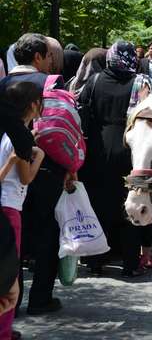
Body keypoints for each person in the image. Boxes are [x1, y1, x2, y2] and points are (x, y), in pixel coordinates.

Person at [0, 34, 73, 317]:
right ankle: (40, 298)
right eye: (48, 57)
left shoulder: (1, 84)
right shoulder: (52, 83)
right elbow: (64, 129)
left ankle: (10, 303)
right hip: (43, 169)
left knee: (10, 242)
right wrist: (70, 167)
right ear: (39, 57)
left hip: (8, 176)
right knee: (46, 235)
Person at [79, 41, 152, 278]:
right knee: (128, 205)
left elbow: (84, 113)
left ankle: (95, 262)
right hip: (129, 148)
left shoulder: (95, 80)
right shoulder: (140, 83)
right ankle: (130, 264)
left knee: (98, 204)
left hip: (97, 149)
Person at [0, 82, 45, 339]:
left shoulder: (6, 131)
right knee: (9, 276)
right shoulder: (21, 137)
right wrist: (38, 156)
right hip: (11, 209)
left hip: (5, 204)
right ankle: (4, 330)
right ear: (32, 104)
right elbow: (26, 177)